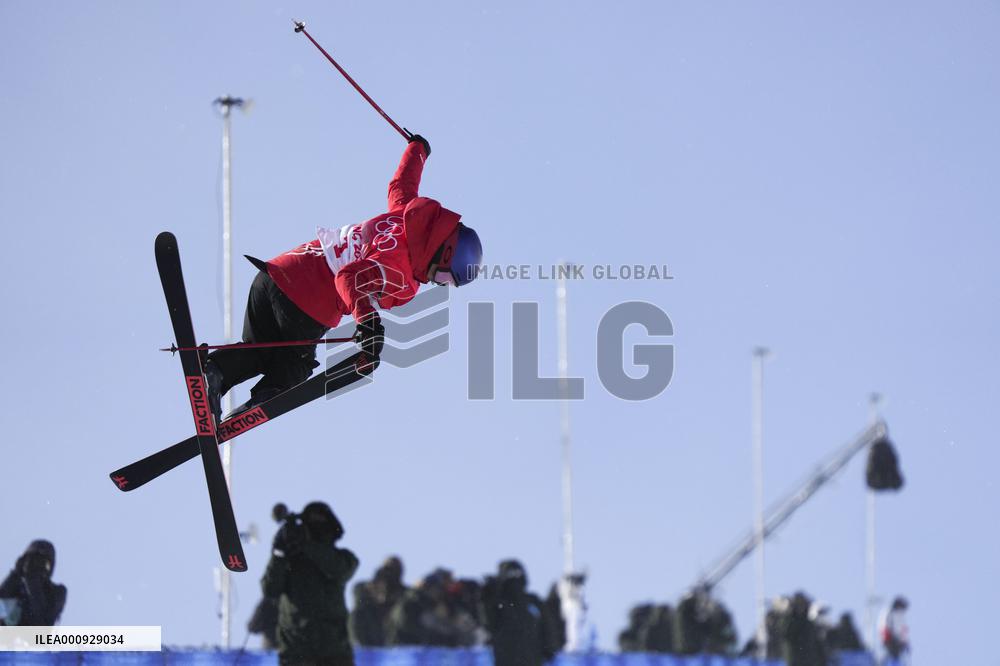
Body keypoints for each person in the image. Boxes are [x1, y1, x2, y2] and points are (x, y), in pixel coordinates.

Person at [204, 135, 484, 420]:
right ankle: (254, 410)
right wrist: (369, 323)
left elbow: (402, 184)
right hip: (307, 301)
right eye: (445, 277)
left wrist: (418, 150)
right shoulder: (400, 272)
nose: (437, 282)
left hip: (275, 275)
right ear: (445, 253)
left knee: (261, 350)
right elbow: (348, 278)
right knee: (295, 366)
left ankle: (215, 372)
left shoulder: (407, 215)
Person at [261, 502, 358, 666]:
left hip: (334, 654)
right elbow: (270, 589)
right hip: (296, 654)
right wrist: (278, 555)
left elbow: (338, 569)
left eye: (320, 522)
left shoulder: (342, 558)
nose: (316, 527)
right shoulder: (291, 562)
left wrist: (307, 545)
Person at [481, 560, 561, 666]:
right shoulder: (499, 602)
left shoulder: (532, 602)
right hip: (524, 660)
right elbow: (487, 623)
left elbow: (548, 628)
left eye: (516, 573)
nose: (514, 577)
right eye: (511, 574)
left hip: (520, 660)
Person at [0, 540, 67, 626]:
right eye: (32, 560)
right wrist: (15, 573)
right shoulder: (16, 587)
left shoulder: (56, 592)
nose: (37, 565)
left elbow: (41, 620)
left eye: (43, 562)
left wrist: (32, 579)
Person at [879, 596, 910, 661]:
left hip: (897, 642)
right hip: (890, 640)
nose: (902, 611)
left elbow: (902, 630)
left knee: (897, 658)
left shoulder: (900, 616)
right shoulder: (889, 612)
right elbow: (885, 626)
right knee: (891, 657)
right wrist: (888, 638)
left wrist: (905, 642)